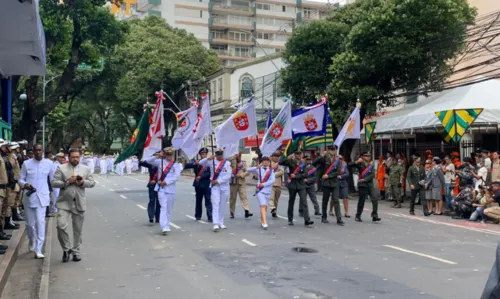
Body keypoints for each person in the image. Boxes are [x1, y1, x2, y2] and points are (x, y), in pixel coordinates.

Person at [51, 148, 95, 262]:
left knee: (78, 229)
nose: (75, 159)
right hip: (64, 202)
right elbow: (54, 183)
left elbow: (92, 183)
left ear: (79, 157)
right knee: (60, 226)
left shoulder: (85, 169)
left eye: (77, 157)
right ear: (68, 157)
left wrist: (82, 182)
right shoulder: (61, 168)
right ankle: (66, 249)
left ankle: (76, 251)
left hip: (79, 202)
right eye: (73, 157)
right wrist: (67, 181)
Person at [19, 144, 54, 259]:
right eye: (36, 150)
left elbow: (53, 180)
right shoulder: (26, 163)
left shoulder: (49, 163)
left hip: (42, 197)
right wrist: (25, 185)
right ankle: (32, 240)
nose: (38, 152)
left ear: (42, 151)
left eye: (40, 150)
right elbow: (20, 179)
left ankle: (38, 249)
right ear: (33, 152)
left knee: (40, 222)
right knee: (30, 224)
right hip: (29, 197)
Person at [143, 148, 182, 235]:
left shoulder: (176, 165)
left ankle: (167, 225)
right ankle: (163, 226)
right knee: (163, 207)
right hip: (161, 189)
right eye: (167, 154)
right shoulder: (159, 162)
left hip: (171, 189)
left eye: (170, 155)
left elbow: (176, 176)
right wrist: (158, 155)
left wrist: (167, 182)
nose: (169, 156)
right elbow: (147, 161)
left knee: (169, 209)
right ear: (165, 155)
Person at [199, 148, 232, 232]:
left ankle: (221, 222)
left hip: (224, 186)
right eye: (218, 154)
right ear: (216, 154)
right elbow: (200, 163)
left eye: (221, 154)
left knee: (222, 205)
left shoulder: (227, 163)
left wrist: (219, 181)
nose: (219, 156)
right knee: (216, 204)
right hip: (215, 186)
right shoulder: (211, 162)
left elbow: (228, 175)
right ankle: (215, 223)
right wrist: (208, 158)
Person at [279, 150, 314, 226]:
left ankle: (307, 220)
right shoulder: (290, 161)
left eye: (300, 154)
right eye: (297, 154)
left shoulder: (303, 163)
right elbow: (280, 162)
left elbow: (305, 174)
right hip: (292, 185)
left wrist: (296, 176)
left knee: (304, 201)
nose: (299, 155)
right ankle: (290, 220)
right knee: (291, 202)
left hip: (301, 185)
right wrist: (287, 158)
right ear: (294, 154)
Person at [313, 145, 344, 225]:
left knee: (336, 200)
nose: (332, 151)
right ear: (328, 150)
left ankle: (339, 218)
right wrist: (321, 155)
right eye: (331, 149)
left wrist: (328, 176)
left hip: (334, 182)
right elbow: (314, 163)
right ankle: (324, 217)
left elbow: (338, 172)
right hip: (326, 183)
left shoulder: (338, 160)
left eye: (334, 150)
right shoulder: (324, 159)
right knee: (325, 200)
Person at [349, 152, 381, 222]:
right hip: (362, 184)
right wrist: (357, 161)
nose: (368, 157)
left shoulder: (371, 164)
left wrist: (365, 179)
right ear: (362, 156)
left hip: (369, 183)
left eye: (369, 156)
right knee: (362, 200)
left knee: (375, 199)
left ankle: (374, 215)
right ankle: (358, 215)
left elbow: (372, 174)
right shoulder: (360, 163)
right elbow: (349, 165)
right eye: (366, 156)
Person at [184, 148, 213, 222]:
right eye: (202, 154)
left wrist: (201, 176)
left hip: (206, 184)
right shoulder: (198, 162)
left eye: (205, 154)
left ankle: (210, 216)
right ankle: (198, 215)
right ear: (200, 155)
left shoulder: (210, 162)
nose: (204, 155)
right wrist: (194, 163)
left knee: (208, 200)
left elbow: (209, 173)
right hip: (198, 184)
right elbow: (186, 166)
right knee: (198, 200)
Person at [246, 156, 275, 229]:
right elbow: (248, 169)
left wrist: (264, 184)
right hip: (260, 190)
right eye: (264, 161)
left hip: (267, 190)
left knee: (265, 207)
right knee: (262, 204)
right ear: (262, 161)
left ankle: (262, 221)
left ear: (269, 162)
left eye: (267, 161)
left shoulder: (271, 170)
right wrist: (256, 167)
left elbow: (272, 180)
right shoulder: (259, 169)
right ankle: (265, 222)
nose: (266, 162)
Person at [228, 153, 252, 219]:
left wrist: (241, 175)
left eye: (239, 156)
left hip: (241, 182)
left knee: (243, 196)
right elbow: (226, 167)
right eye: (237, 156)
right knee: (233, 198)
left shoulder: (243, 163)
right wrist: (233, 158)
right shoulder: (230, 162)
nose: (238, 157)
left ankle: (246, 210)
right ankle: (232, 212)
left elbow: (248, 171)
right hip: (233, 182)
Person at [1, 142, 19, 230]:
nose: (7, 148)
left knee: (9, 204)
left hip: (8, 184)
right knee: (7, 205)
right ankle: (7, 223)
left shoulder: (6, 156)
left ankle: (7, 223)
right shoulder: (9, 157)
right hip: (5, 185)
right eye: (5, 146)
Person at [139, 156, 161, 224]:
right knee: (152, 200)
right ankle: (151, 216)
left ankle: (158, 217)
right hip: (152, 184)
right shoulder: (151, 163)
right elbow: (141, 163)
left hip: (160, 184)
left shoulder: (163, 164)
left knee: (159, 202)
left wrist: (157, 181)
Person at [269, 151, 284, 218]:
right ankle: (272, 207)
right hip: (271, 184)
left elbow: (281, 172)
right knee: (271, 198)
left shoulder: (280, 164)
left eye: (278, 156)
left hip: (278, 183)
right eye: (275, 156)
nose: (276, 158)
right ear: (272, 157)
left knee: (276, 199)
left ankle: (274, 211)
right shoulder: (269, 164)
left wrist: (273, 174)